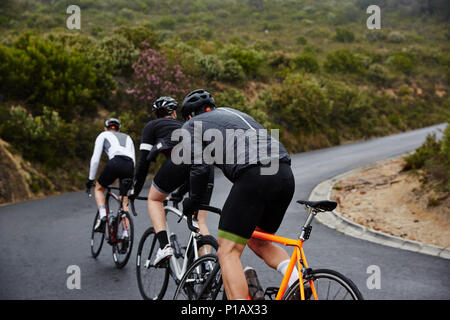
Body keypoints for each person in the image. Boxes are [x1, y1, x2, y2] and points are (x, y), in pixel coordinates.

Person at [178, 89, 298, 300]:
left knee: (227, 252)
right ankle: (296, 281)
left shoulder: (190, 125)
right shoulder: (234, 113)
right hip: (284, 173)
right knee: (257, 240)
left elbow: (200, 169)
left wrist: (192, 202)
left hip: (254, 175)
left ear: (189, 115)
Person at [131, 96, 214, 266]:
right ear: (174, 113)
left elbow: (143, 163)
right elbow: (193, 172)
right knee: (200, 221)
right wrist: (179, 193)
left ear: (156, 114)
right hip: (206, 165)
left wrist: (135, 191)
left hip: (181, 159)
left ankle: (164, 247)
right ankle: (207, 268)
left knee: (154, 199)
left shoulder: (151, 126)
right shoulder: (184, 126)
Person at [86, 118, 135, 239]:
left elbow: (95, 159)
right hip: (129, 165)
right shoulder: (128, 137)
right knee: (124, 201)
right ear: (119, 129)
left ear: (105, 128)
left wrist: (90, 179)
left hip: (115, 162)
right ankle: (125, 233)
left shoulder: (103, 135)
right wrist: (132, 184)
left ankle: (103, 215)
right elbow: (133, 160)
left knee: (99, 188)